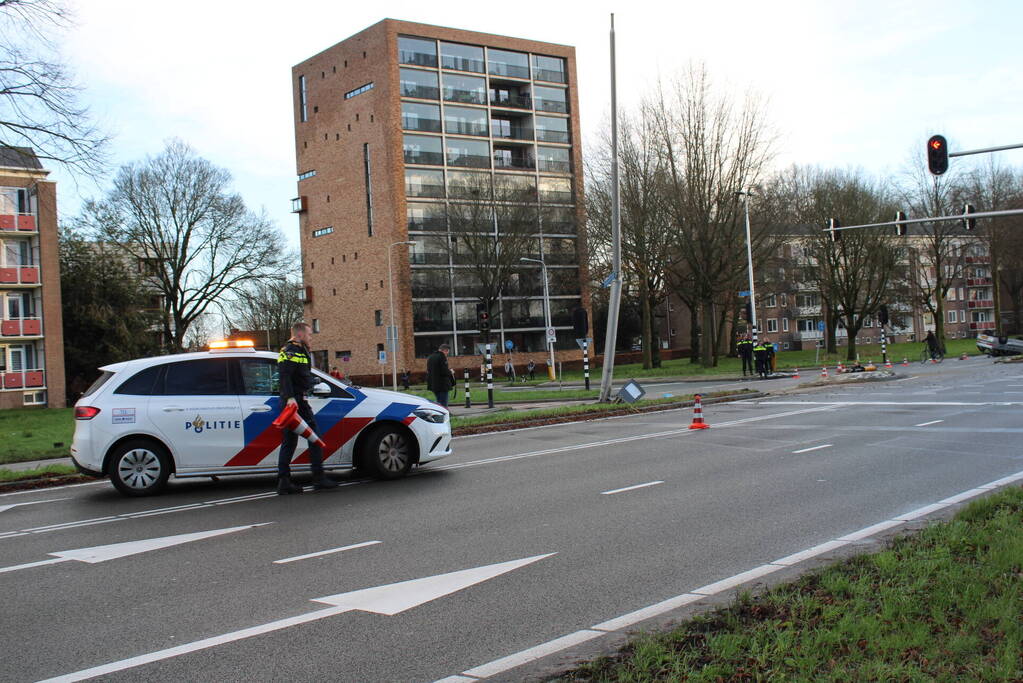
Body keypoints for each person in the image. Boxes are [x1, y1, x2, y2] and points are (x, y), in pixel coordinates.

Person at [276, 322, 338, 495]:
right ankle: (318, 478)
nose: (311, 338)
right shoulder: (291, 351)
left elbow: (301, 376)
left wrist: (312, 383)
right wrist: (290, 398)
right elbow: (285, 376)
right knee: (314, 437)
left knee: (289, 442)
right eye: (310, 335)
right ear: (300, 334)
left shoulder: (299, 350)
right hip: (295, 402)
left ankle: (284, 482)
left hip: (295, 400)